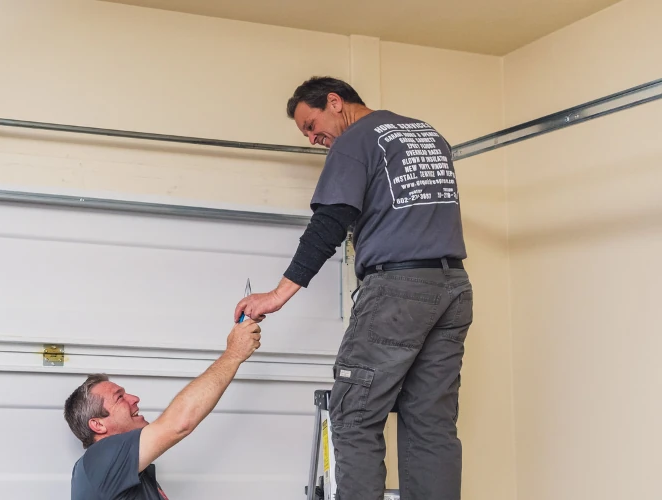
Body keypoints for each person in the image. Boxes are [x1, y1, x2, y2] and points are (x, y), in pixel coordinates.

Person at [233, 76, 473, 500]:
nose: (312, 138)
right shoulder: (428, 135)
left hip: (398, 291)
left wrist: (275, 296)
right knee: (430, 422)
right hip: (452, 288)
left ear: (334, 102)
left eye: (311, 124)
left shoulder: (356, 139)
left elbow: (329, 223)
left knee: (353, 416)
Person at [64, 319, 263, 500]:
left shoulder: (128, 472)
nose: (134, 399)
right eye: (120, 397)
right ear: (97, 424)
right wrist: (234, 354)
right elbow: (179, 424)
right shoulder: (100, 459)